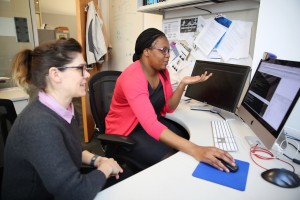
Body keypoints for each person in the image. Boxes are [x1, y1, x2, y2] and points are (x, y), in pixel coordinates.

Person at [1, 38, 123, 200]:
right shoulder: (39, 124)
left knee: (122, 179)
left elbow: (67, 149)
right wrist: (105, 169)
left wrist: (98, 160)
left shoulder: (68, 110)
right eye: (80, 68)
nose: (87, 74)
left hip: (56, 187)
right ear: (55, 74)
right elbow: (74, 193)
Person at [105, 28, 236, 172]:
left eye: (168, 51)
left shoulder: (163, 72)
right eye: (163, 50)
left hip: (149, 123)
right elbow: (151, 125)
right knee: (172, 159)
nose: (168, 55)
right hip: (128, 132)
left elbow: (169, 107)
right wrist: (196, 150)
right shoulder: (132, 78)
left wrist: (182, 84)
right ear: (146, 51)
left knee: (186, 139)